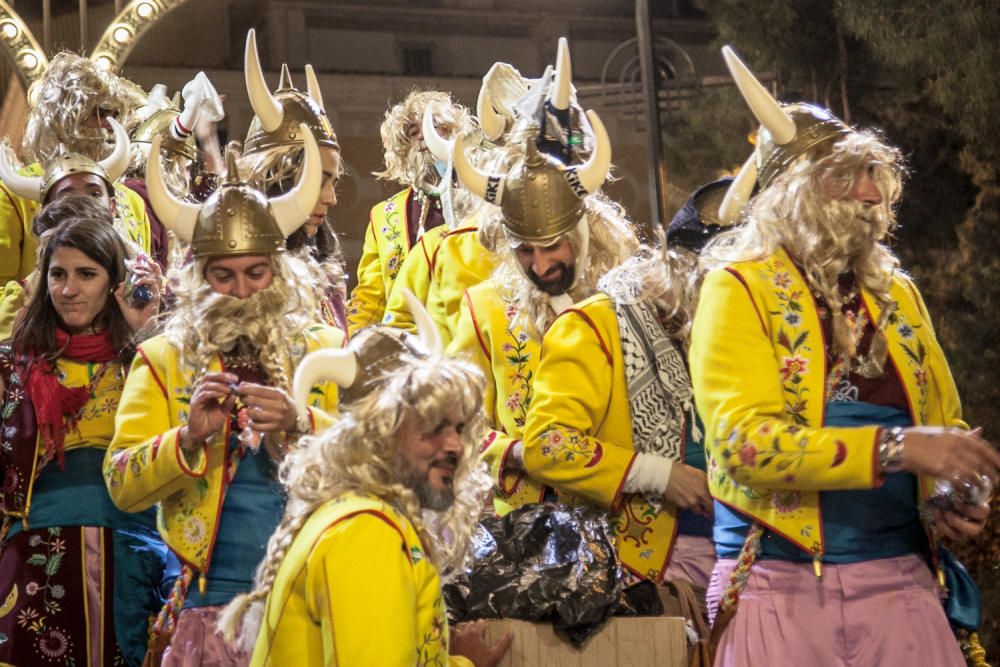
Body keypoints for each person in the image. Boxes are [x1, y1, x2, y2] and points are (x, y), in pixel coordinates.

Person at [689, 46, 1000, 665]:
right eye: (847, 176)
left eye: (873, 176)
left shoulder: (899, 295)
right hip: (781, 590)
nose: (869, 194)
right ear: (794, 193)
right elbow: (741, 446)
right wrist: (896, 447)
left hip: (904, 585)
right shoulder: (739, 288)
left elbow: (945, 422)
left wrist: (957, 495)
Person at [102, 129, 343, 665]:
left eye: (256, 273)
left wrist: (303, 423)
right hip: (208, 602)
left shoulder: (325, 352)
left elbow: (377, 463)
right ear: (199, 279)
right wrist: (187, 438)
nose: (240, 292)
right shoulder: (163, 359)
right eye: (224, 276)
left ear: (278, 273)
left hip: (312, 595)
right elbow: (121, 483)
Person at [218, 295, 511, 666]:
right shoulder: (366, 532)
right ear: (378, 435)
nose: (454, 444)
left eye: (456, 427)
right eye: (433, 427)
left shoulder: (358, 515)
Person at [448, 98, 640, 516]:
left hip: (630, 525)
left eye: (553, 246)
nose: (541, 265)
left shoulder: (628, 298)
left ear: (583, 233)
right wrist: (523, 454)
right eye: (525, 251)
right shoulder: (484, 311)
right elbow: (454, 426)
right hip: (530, 536)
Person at [0, 215, 165, 666]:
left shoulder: (149, 358)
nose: (69, 289)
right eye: (58, 274)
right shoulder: (12, 367)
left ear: (115, 281)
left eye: (86, 274)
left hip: (130, 546)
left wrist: (142, 333)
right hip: (34, 546)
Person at [521, 235, 715, 586]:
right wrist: (660, 475)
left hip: (737, 550)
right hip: (646, 568)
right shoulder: (593, 325)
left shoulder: (715, 326)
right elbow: (547, 445)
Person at [1, 52, 151, 284]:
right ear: (62, 117)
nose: (108, 126)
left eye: (115, 115)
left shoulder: (131, 202)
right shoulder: (12, 196)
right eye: (98, 113)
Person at [240, 30, 349, 335]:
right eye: (318, 182)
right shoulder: (229, 261)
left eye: (333, 183)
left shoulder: (325, 261)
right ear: (278, 180)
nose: (332, 199)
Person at [346, 90, 477, 334]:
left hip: (473, 337)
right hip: (411, 345)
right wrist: (345, 337)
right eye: (414, 133)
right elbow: (371, 297)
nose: (424, 140)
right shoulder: (385, 215)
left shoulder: (483, 198)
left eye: (436, 128)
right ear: (403, 149)